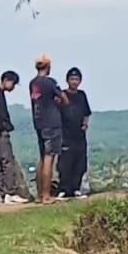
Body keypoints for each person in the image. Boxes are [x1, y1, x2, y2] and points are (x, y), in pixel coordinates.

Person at [0, 70, 27, 205]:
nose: (13, 87)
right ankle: (9, 193)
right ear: (7, 81)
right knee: (7, 162)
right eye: (13, 83)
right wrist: (2, 127)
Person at [28, 56, 68, 204]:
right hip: (52, 123)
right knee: (49, 158)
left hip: (39, 122)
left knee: (42, 158)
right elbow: (64, 98)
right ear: (48, 67)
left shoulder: (33, 83)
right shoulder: (50, 82)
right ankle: (46, 195)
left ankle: (39, 194)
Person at [56, 67, 92, 198]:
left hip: (79, 134)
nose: (74, 82)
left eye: (77, 79)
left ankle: (76, 188)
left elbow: (87, 113)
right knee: (65, 162)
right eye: (72, 79)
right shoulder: (62, 95)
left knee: (80, 161)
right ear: (67, 80)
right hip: (65, 134)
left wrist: (85, 124)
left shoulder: (82, 95)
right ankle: (64, 189)